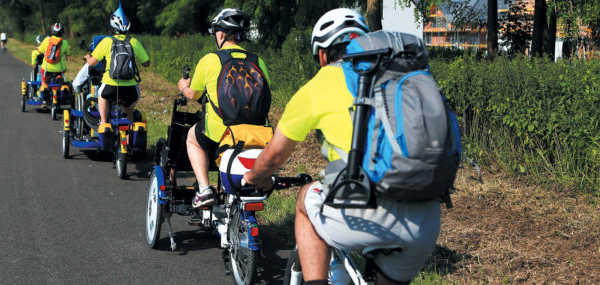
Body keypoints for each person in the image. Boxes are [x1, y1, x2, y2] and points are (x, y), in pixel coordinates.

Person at [243, 8, 441, 284]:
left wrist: (255, 176)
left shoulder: (320, 84)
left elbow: (274, 155)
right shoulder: (399, 78)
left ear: (322, 55)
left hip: (368, 209)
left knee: (305, 201)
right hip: (426, 217)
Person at [176, 8, 271, 208]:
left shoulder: (210, 60)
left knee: (193, 138)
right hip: (257, 133)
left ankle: (204, 190)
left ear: (220, 34)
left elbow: (194, 95)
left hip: (222, 132)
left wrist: (184, 87)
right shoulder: (258, 61)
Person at [84, 2, 150, 133]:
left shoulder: (107, 42)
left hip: (110, 85)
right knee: (128, 108)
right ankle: (130, 131)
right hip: (131, 88)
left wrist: (87, 57)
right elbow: (147, 63)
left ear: (112, 27)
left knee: (101, 96)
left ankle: (104, 123)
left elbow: (91, 62)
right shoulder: (134, 42)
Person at [37, 23, 72, 103]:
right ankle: (59, 79)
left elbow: (40, 51)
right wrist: (69, 49)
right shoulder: (65, 42)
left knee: (44, 81)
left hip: (47, 68)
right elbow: (69, 53)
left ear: (52, 31)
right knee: (61, 79)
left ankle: (45, 101)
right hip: (60, 68)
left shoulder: (46, 40)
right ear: (62, 32)